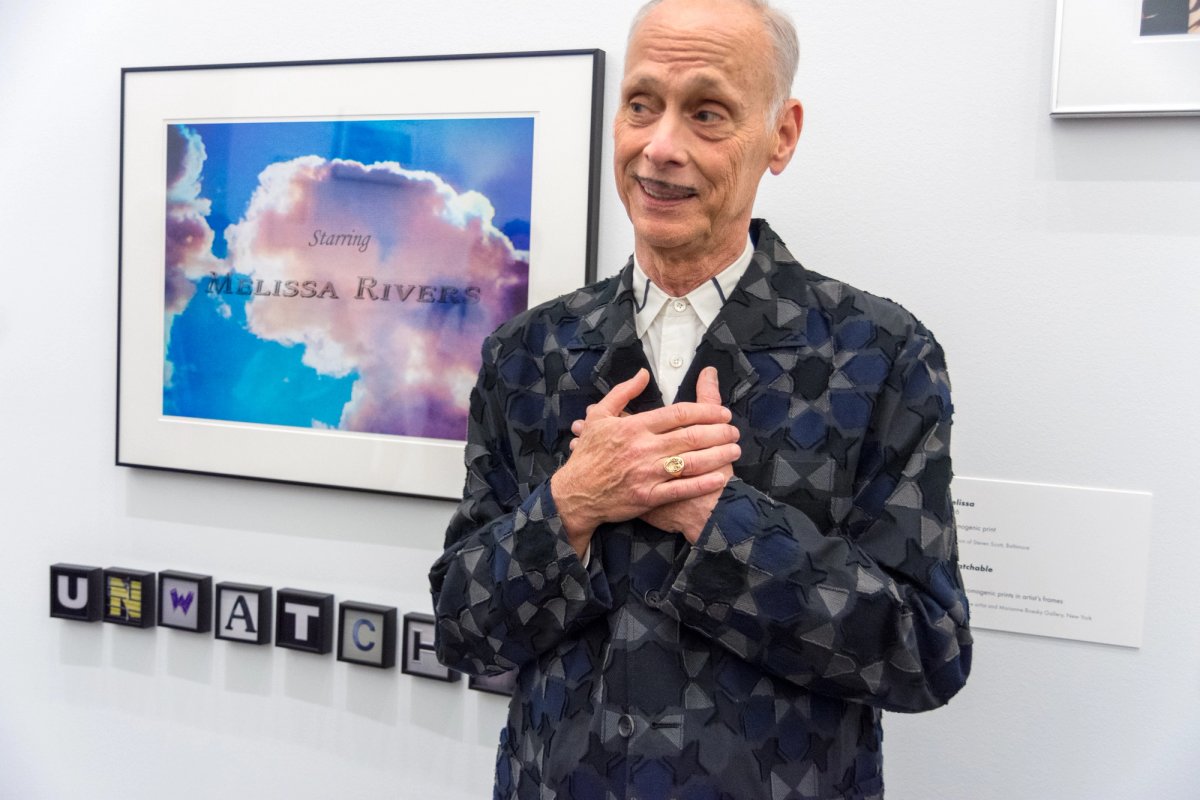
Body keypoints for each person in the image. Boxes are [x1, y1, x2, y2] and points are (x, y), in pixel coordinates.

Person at [429, 0, 972, 797]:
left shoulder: (878, 353)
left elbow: (928, 654)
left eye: (707, 113)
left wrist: (725, 526)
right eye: (641, 105)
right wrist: (572, 504)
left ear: (780, 135)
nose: (660, 148)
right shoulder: (530, 353)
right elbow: (462, 631)